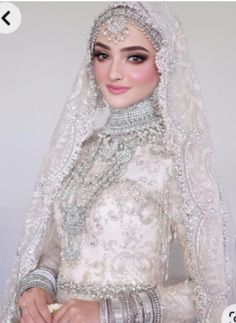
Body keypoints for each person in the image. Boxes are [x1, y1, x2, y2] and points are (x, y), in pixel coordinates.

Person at [1, 2, 235, 323]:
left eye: (134, 57)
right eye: (103, 55)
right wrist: (37, 288)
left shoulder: (176, 161)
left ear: (165, 63)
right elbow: (55, 251)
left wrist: (107, 311)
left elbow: (211, 293)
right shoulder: (79, 150)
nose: (113, 72)